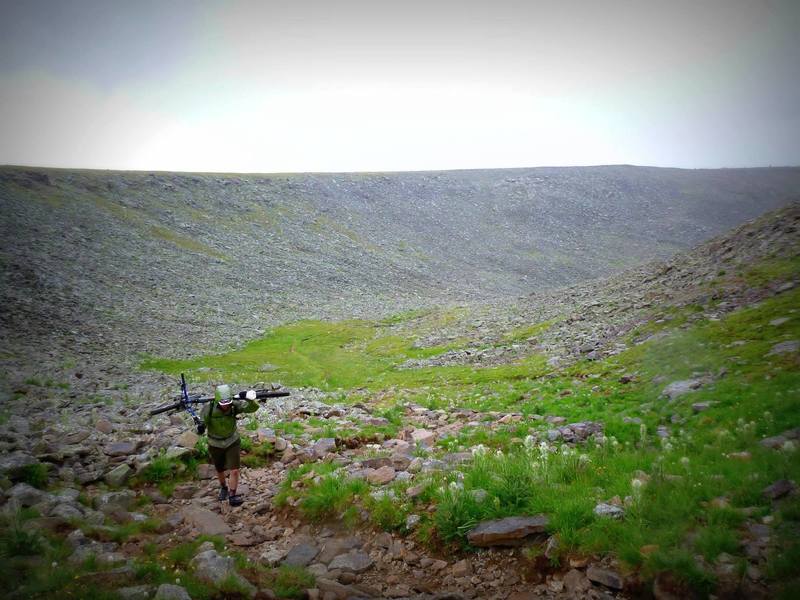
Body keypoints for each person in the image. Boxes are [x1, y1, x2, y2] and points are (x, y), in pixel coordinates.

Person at [200, 384, 258, 506]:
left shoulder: (234, 405)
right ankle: (223, 488)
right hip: (215, 443)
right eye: (222, 404)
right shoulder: (208, 408)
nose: (225, 406)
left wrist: (248, 398)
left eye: (227, 403)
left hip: (232, 441)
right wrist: (200, 428)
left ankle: (232, 495)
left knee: (235, 470)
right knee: (220, 469)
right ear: (217, 401)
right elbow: (202, 422)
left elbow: (252, 408)